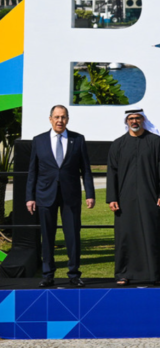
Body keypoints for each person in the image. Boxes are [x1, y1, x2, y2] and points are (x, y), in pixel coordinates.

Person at [26, 105, 95, 288]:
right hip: (45, 195)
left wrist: (90, 194)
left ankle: (74, 274)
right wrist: (30, 197)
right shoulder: (39, 140)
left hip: (70, 196)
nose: (60, 120)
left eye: (63, 117)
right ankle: (48, 275)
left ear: (67, 119)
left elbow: (86, 170)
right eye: (56, 117)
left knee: (72, 235)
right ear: (50, 119)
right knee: (47, 236)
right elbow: (33, 171)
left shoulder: (77, 139)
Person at [106, 109, 160, 285]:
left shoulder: (155, 142)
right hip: (124, 199)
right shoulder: (118, 144)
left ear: (143, 120)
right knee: (125, 236)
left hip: (151, 197)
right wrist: (112, 198)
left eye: (137, 118)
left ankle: (154, 274)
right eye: (131, 118)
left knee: (152, 234)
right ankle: (123, 274)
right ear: (126, 121)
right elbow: (112, 173)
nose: (134, 121)